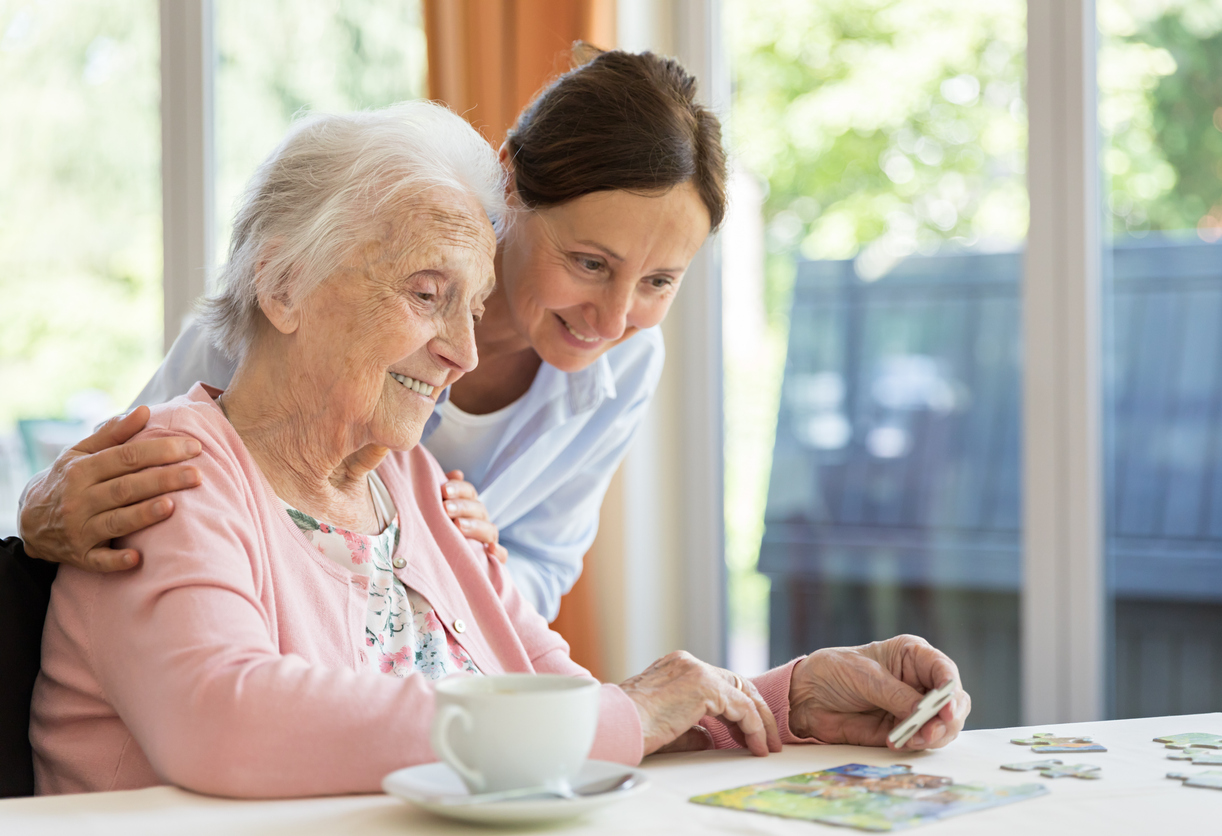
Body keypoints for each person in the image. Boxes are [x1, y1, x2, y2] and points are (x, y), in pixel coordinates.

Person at [31, 103, 970, 798]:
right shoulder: (165, 475)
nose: (465, 352)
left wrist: (786, 698)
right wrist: (616, 714)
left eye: (473, 307)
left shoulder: (422, 490)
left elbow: (569, 711)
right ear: (284, 285)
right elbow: (226, 721)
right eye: (427, 293)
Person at [19, 47, 723, 621]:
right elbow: (118, 477)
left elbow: (543, 562)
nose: (613, 317)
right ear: (508, 179)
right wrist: (35, 520)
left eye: (660, 281)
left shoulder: (627, 366)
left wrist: (479, 567)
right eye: (590, 263)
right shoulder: (328, 292)